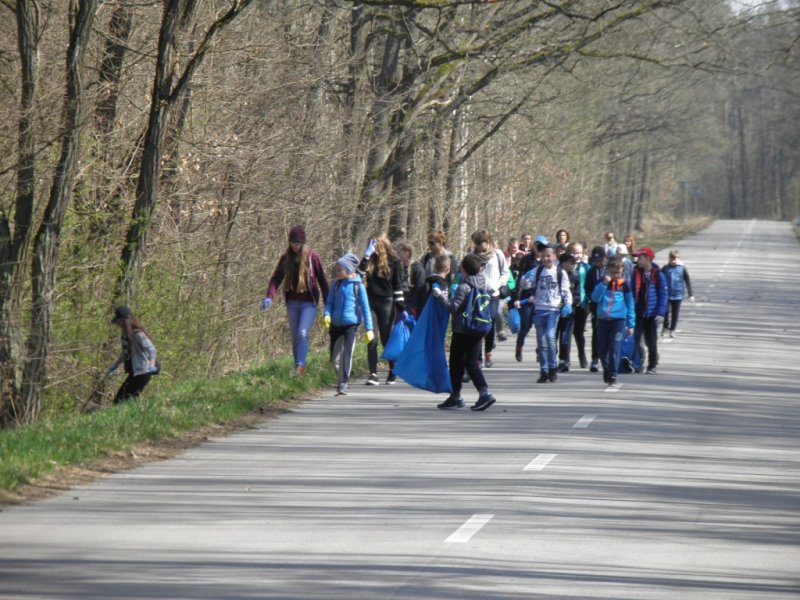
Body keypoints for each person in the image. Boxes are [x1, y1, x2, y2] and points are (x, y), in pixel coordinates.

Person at [431, 254, 496, 411]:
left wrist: (440, 297)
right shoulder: (484, 284)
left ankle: (459, 396)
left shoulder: (464, 287)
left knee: (456, 363)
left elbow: (453, 309)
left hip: (463, 330)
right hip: (479, 329)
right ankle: (482, 393)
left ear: (464, 269)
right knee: (471, 362)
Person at [262, 225, 330, 375]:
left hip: (309, 302)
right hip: (292, 302)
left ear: (303, 243)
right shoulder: (286, 258)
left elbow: (323, 281)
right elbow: (276, 278)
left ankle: (300, 366)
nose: (295, 246)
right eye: (292, 242)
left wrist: (328, 305)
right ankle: (297, 367)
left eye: (298, 243)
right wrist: (269, 296)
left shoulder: (313, 258)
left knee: (302, 333)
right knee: (294, 336)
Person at [323, 253, 374, 395]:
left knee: (347, 355)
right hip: (336, 326)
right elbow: (329, 303)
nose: (337, 272)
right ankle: (342, 376)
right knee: (334, 359)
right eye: (336, 269)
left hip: (351, 326)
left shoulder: (358, 286)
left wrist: (369, 329)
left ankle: (343, 382)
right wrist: (326, 314)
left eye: (339, 269)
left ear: (348, 270)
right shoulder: (336, 285)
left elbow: (365, 308)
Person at [359, 233, 405, 385]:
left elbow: (398, 286)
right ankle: (373, 373)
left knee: (386, 337)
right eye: (370, 244)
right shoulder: (369, 260)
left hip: (387, 302)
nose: (373, 248)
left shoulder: (394, 262)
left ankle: (392, 370)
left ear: (383, 245)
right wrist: (366, 257)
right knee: (372, 337)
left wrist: (401, 307)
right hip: (370, 301)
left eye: (375, 244)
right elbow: (358, 276)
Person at [590, 256, 635, 387]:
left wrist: (631, 324)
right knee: (602, 350)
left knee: (615, 348)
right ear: (607, 271)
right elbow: (595, 298)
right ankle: (607, 369)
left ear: (622, 272)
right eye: (613, 272)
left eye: (618, 273)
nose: (616, 275)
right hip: (603, 320)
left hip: (618, 321)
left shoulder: (625, 285)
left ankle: (613, 374)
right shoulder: (603, 282)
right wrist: (603, 284)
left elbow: (630, 304)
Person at [530, 245, 572, 382]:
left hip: (553, 309)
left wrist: (568, 304)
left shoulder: (560, 273)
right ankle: (544, 370)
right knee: (541, 342)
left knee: (550, 336)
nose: (546, 259)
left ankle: (553, 368)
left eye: (548, 256)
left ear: (554, 257)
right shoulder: (537, 271)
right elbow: (528, 285)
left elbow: (566, 291)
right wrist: (524, 283)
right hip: (539, 309)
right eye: (543, 256)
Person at [471, 229, 508, 368]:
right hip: (478, 294)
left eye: (481, 242)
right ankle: (478, 357)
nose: (479, 246)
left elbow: (505, 273)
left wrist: (497, 284)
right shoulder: (472, 255)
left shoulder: (497, 254)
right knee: (479, 323)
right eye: (476, 243)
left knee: (490, 321)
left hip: (493, 294)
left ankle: (488, 353)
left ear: (488, 241)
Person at [107, 306, 158, 404]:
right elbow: (126, 353)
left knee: (124, 401)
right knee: (119, 400)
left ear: (124, 321)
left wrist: (152, 364)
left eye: (119, 322)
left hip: (143, 372)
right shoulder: (127, 335)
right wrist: (115, 365)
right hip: (135, 373)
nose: (118, 325)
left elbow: (152, 350)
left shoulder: (138, 334)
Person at [631, 246, 667, 374]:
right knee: (636, 339)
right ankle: (638, 363)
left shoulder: (658, 274)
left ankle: (652, 365)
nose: (637, 260)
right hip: (639, 312)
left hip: (652, 314)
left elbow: (663, 295)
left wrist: (661, 313)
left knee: (651, 341)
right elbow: (631, 292)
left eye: (640, 258)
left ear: (647, 259)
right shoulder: (635, 273)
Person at [661, 249, 694, 338]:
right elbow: (660, 280)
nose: (674, 261)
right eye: (672, 259)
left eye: (676, 259)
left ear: (679, 259)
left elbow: (687, 280)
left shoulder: (682, 268)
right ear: (669, 259)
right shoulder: (665, 268)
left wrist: (690, 294)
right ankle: (665, 327)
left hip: (678, 295)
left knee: (675, 313)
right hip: (667, 294)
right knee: (666, 311)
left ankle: (672, 329)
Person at [584, 245, 608, 373]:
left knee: (608, 334)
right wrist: (590, 298)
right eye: (595, 260)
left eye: (600, 260)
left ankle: (607, 358)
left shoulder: (610, 270)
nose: (598, 262)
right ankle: (595, 359)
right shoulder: (591, 271)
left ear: (605, 259)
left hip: (609, 306)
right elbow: (587, 287)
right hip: (596, 307)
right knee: (596, 333)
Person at [567, 242, 590, 368]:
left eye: (580, 252)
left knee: (579, 332)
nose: (578, 255)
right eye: (575, 252)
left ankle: (582, 355)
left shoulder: (586, 268)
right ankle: (566, 359)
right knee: (567, 332)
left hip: (582, 303)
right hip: (568, 304)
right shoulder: (565, 267)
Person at [556, 252, 579, 372]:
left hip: (569, 313)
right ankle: (551, 359)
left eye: (574, 263)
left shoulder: (575, 276)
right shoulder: (556, 274)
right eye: (571, 263)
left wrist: (571, 303)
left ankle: (563, 360)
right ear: (563, 263)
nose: (573, 265)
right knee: (553, 336)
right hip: (555, 311)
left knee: (565, 337)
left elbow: (577, 294)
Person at [394, 240, 426, 317]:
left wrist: (418, 309)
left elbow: (420, 291)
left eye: (399, 252)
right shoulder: (399, 268)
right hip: (399, 305)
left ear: (407, 252)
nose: (397, 255)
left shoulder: (417, 269)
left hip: (412, 307)